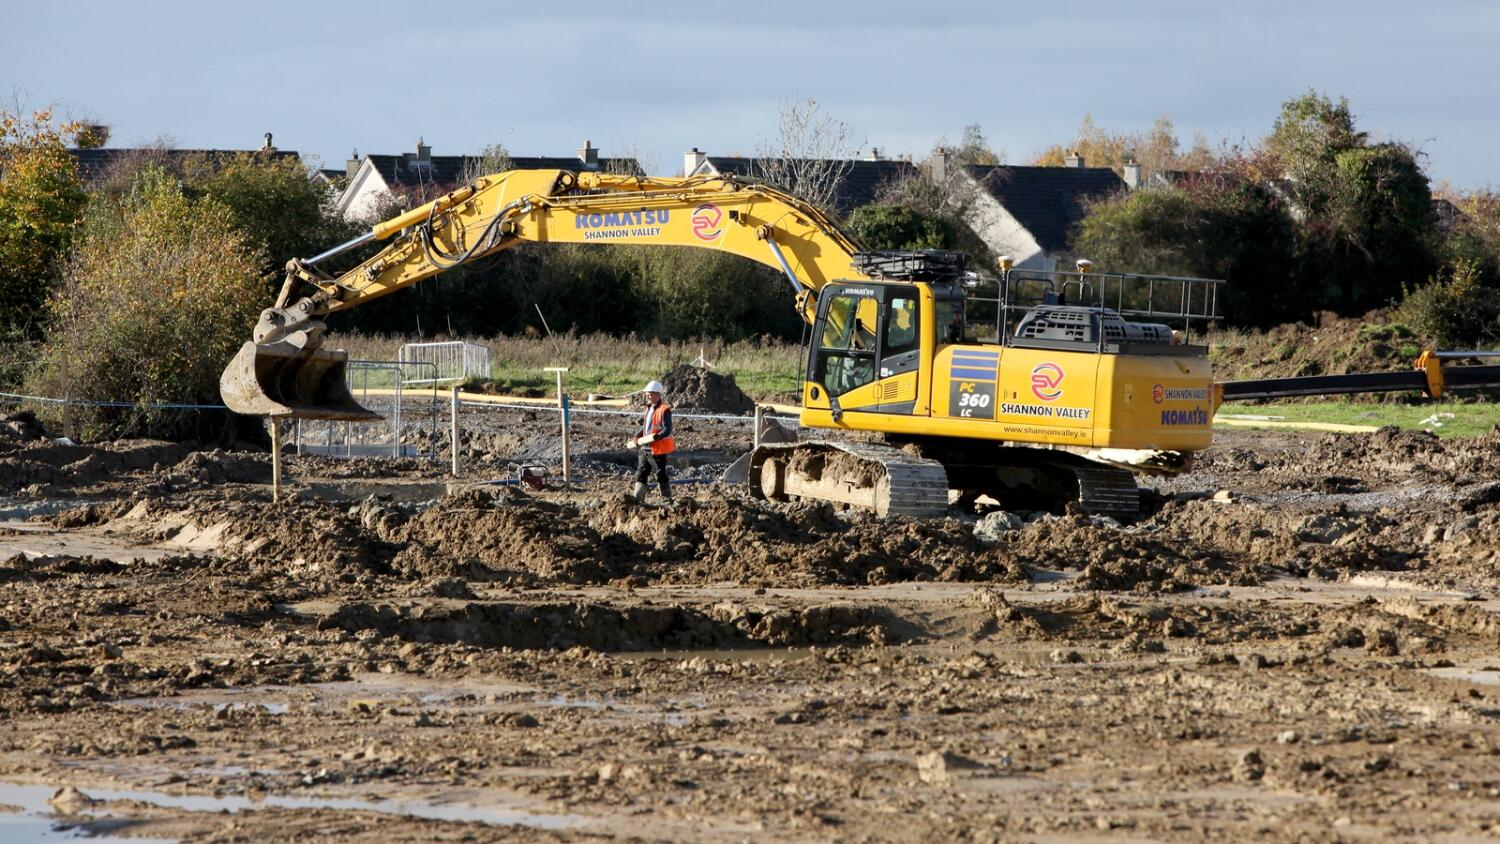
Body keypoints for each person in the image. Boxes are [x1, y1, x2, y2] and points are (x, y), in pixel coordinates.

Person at [627, 379, 674, 503]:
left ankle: (667, 500)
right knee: (641, 473)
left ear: (657, 394)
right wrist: (637, 436)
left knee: (660, 475)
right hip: (645, 448)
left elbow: (667, 429)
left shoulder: (664, 410)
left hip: (657, 449)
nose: (647, 395)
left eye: (650, 393)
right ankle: (638, 499)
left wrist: (655, 437)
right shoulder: (648, 409)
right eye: (647, 393)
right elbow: (645, 428)